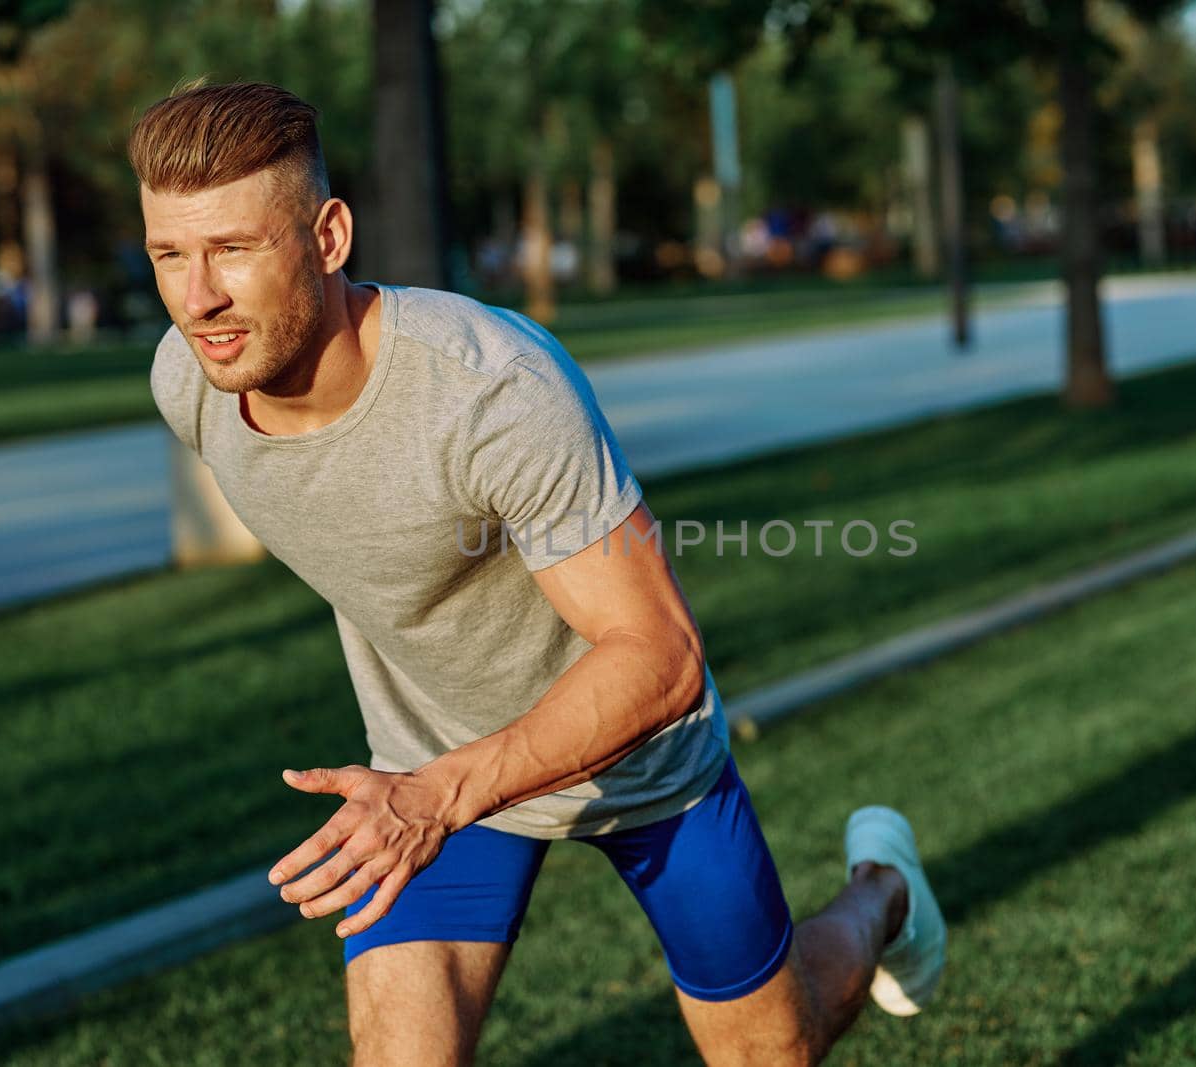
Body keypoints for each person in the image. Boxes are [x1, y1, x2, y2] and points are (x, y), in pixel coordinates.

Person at [130, 81, 945, 1066]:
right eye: (170, 254)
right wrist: (431, 789)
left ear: (330, 235)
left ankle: (881, 895)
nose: (197, 297)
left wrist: (439, 793)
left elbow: (660, 654)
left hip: (629, 757)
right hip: (429, 760)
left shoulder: (491, 394)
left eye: (235, 249)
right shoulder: (192, 382)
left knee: (778, 1042)